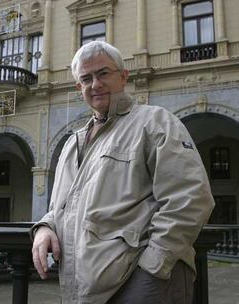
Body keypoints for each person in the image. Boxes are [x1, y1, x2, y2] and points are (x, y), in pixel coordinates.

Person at [31, 41, 215, 304]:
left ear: (124, 76)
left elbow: (191, 198)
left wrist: (154, 265)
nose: (95, 84)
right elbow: (64, 205)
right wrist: (45, 226)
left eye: (104, 73)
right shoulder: (73, 143)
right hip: (85, 289)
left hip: (143, 283)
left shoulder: (155, 122)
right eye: (86, 78)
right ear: (78, 87)